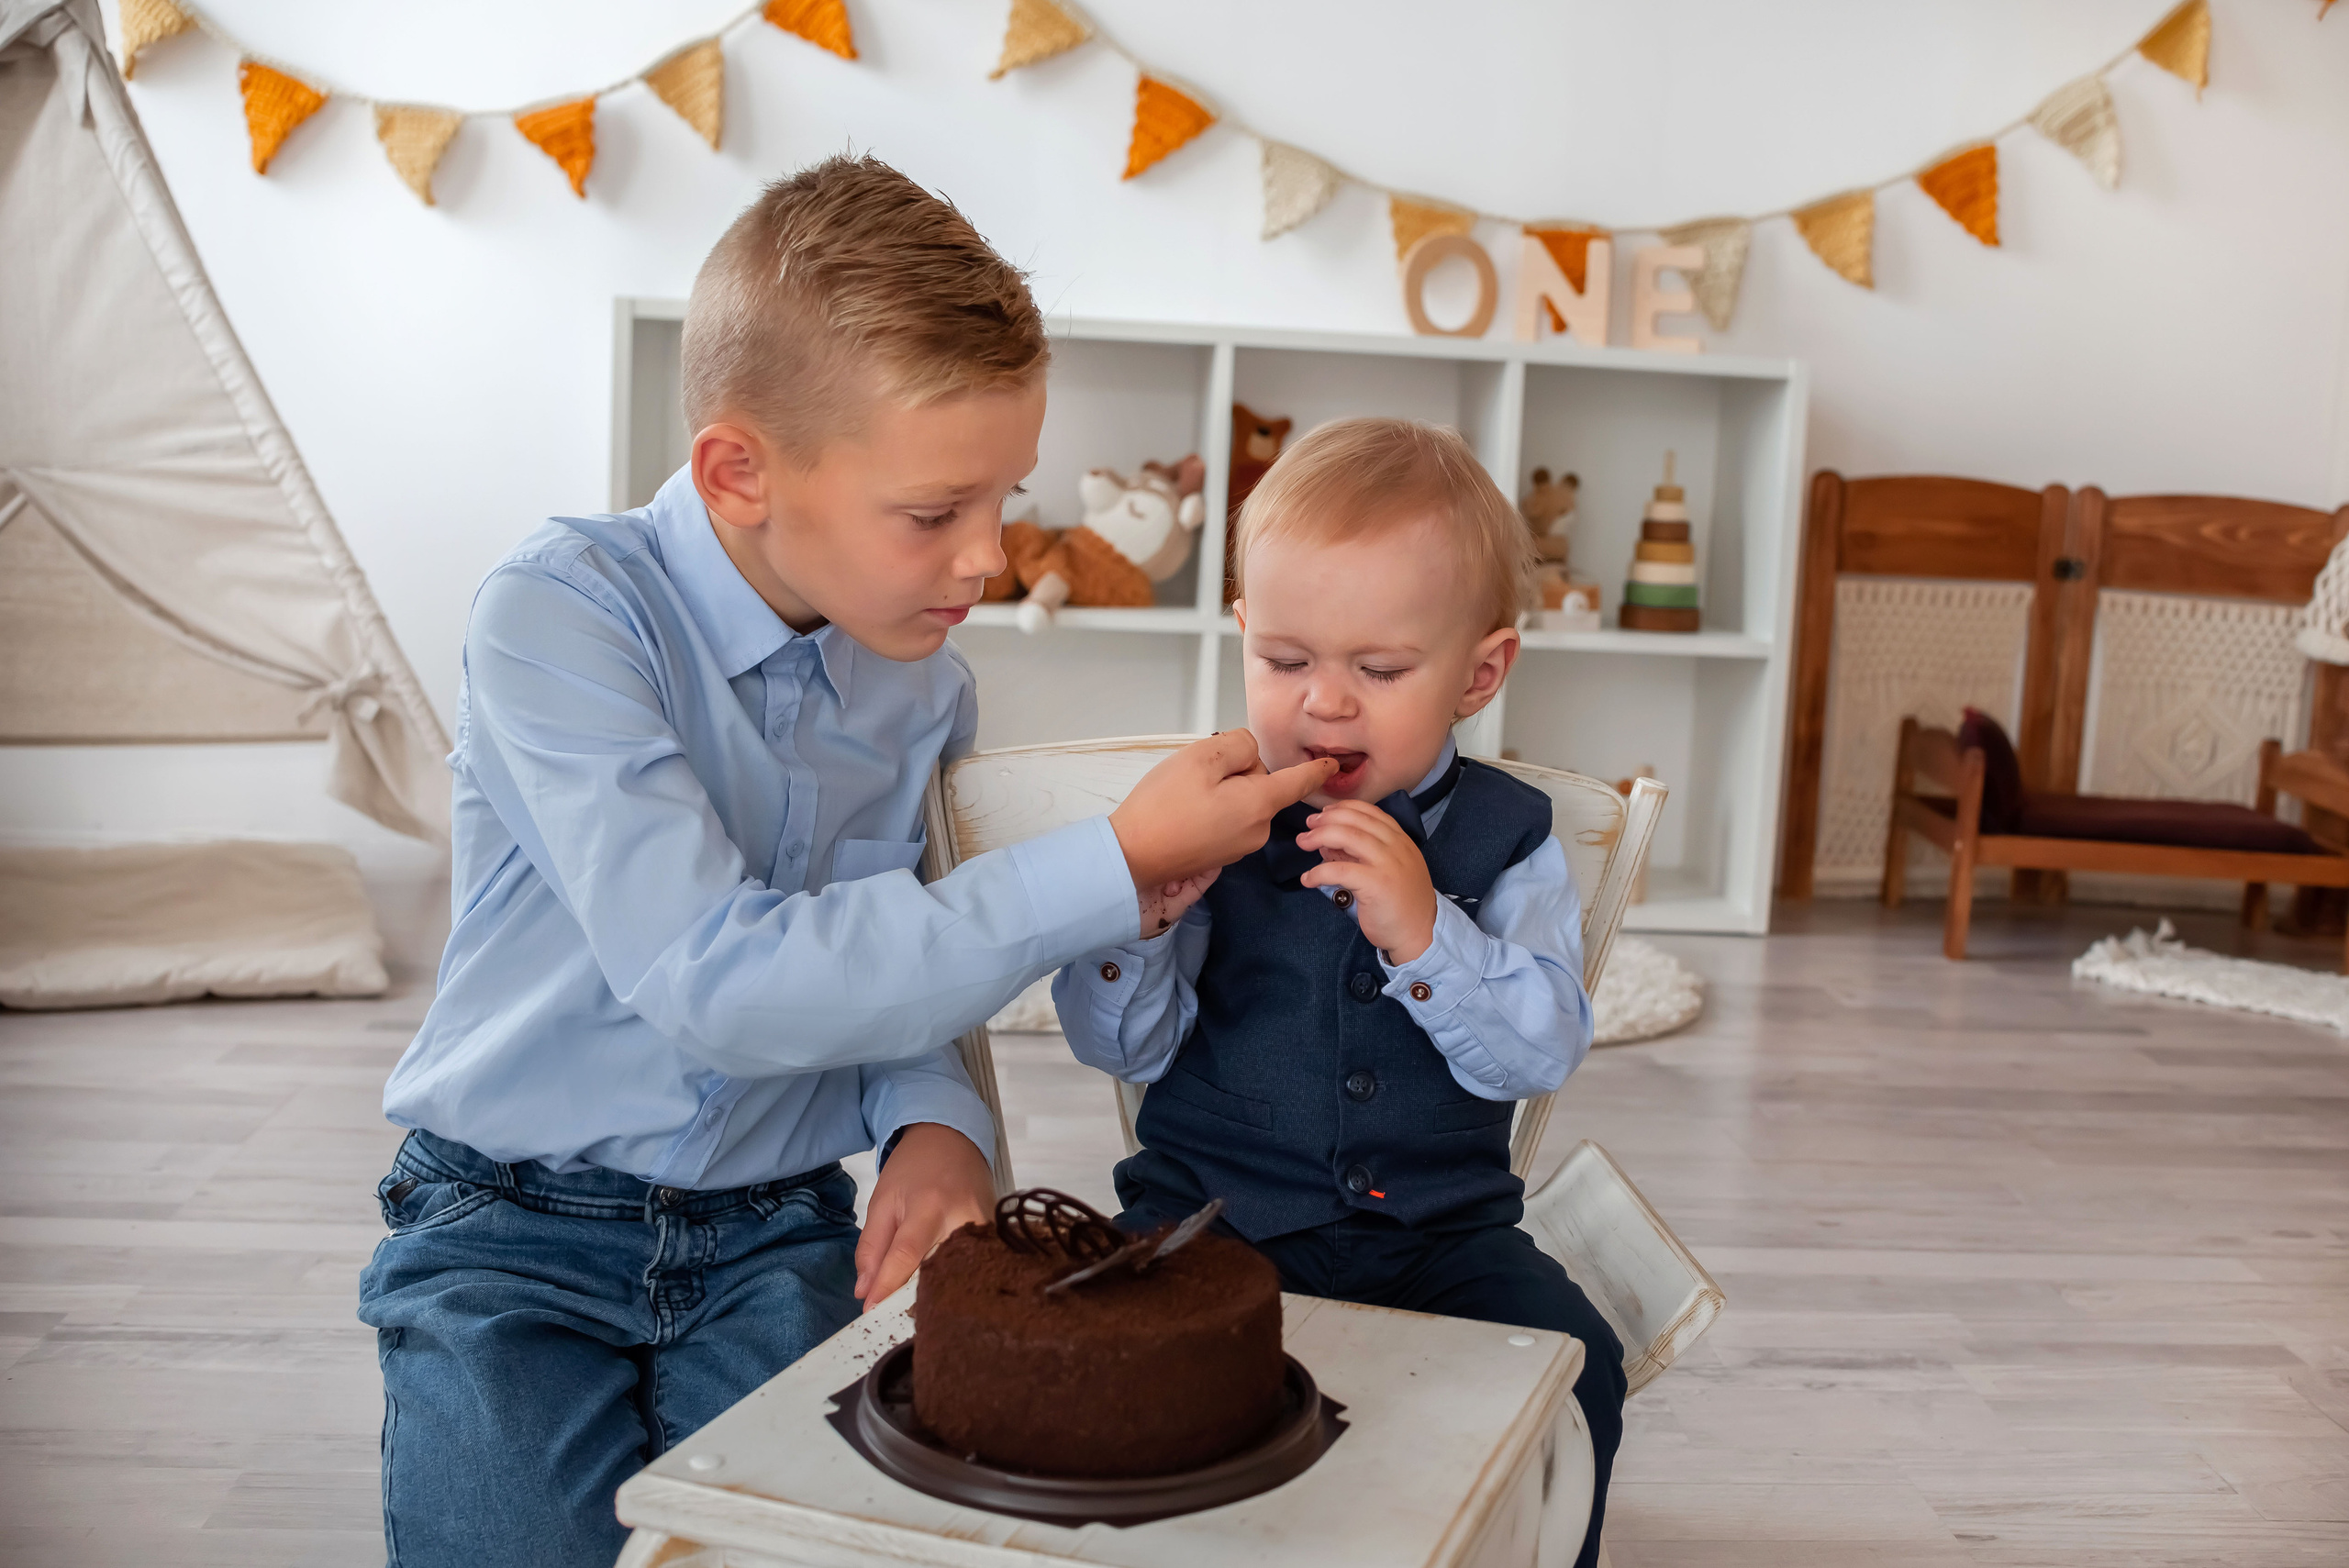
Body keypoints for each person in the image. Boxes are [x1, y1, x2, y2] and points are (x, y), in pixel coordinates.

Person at [357, 154, 1332, 1568]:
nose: (989, 557)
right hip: (511, 1230)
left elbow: (895, 948)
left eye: (1005, 499)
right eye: (937, 513)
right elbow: (721, 981)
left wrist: (936, 1122)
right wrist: (1103, 866)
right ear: (739, 471)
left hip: (772, 1228)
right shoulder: (560, 618)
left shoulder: (920, 683)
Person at [1055, 417, 1625, 1568]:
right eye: (1285, 659)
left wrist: (1427, 932)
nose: (1325, 703)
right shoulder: (1215, 812)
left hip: (1437, 1232)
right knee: (1094, 1361)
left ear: (1479, 670)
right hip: (1209, 1212)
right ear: (1242, 636)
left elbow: (1537, 1053)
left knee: (1576, 1361)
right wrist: (1144, 911)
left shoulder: (1511, 842)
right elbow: (1121, 1044)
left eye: (1378, 669)